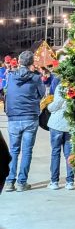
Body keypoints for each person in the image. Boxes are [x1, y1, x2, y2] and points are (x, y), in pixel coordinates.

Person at [4, 50, 44, 192]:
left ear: (19, 62)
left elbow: (7, 92)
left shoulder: (11, 76)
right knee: (27, 151)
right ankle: (22, 182)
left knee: (13, 150)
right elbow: (42, 93)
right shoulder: (35, 78)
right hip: (29, 117)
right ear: (31, 63)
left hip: (14, 117)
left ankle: (9, 181)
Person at [47, 81, 75, 190]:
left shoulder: (61, 86)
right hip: (70, 125)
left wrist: (48, 107)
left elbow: (56, 104)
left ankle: (54, 182)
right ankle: (70, 182)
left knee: (55, 152)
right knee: (69, 154)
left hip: (57, 124)